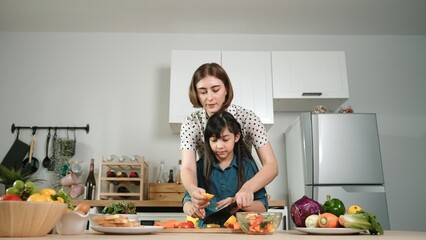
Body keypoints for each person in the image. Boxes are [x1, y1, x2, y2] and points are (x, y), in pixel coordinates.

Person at [180, 62, 278, 218]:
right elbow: (188, 167)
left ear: (226, 89)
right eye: (203, 92)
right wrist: (193, 191)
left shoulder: (248, 118)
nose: (210, 98)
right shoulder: (191, 123)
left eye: (215, 89)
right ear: (196, 94)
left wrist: (247, 190)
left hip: (242, 185)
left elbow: (271, 165)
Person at [182, 111, 268, 225]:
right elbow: (186, 202)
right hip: (206, 232)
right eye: (214, 140)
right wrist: (191, 207)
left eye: (225, 139)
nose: (219, 146)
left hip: (238, 232)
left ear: (236, 137)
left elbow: (262, 206)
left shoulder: (247, 166)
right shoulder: (199, 167)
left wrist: (237, 203)